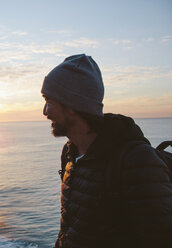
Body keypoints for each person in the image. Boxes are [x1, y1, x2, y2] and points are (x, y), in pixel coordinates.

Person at [41, 54, 172, 248]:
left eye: (49, 101)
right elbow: (70, 227)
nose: (45, 111)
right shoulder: (70, 152)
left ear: (71, 105)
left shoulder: (136, 161)